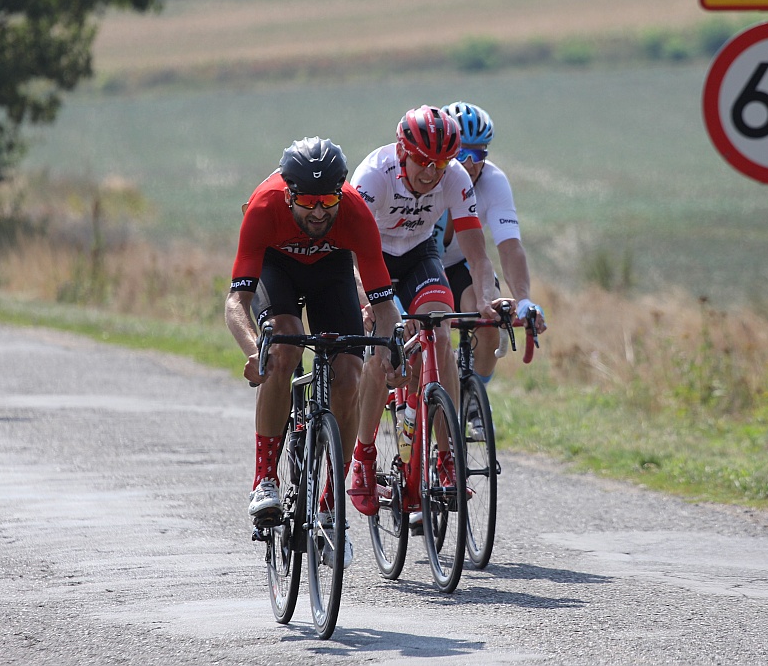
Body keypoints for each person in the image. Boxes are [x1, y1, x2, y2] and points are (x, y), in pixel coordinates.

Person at [225, 137, 404, 567]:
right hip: (277, 267)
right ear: (289, 194)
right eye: (308, 202)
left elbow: (382, 306)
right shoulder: (264, 208)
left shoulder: (355, 212)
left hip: (331, 272)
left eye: (328, 200)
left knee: (349, 375)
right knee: (282, 350)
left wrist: (392, 352)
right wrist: (254, 350)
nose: (320, 212)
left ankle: (329, 506)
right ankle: (265, 479)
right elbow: (236, 303)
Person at [347, 105, 508, 517]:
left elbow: (477, 252)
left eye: (439, 163)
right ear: (402, 152)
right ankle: (363, 460)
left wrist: (486, 298)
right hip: (373, 257)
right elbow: (350, 253)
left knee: (438, 330)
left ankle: (446, 455)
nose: (430, 172)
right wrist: (368, 302)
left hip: (420, 255)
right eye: (422, 161)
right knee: (388, 344)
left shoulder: (454, 178)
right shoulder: (373, 175)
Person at [438, 101, 547, 383]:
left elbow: (510, 247)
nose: (471, 163)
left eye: (479, 153)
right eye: (462, 152)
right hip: (418, 266)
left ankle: (474, 398)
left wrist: (523, 300)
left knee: (488, 323)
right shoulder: (428, 176)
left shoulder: (494, 181)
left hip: (463, 264)